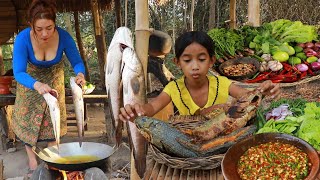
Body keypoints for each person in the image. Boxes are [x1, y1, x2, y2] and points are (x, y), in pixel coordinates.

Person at [119, 31, 280, 120]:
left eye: (202, 59)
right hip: (189, 144)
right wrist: (137, 111)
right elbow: (152, 107)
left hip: (222, 141)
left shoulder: (222, 83)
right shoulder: (174, 88)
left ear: (211, 61)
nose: (195, 66)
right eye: (187, 60)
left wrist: (262, 92)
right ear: (177, 62)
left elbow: (246, 96)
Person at [11, 0, 86, 177]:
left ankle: (50, 160)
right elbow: (19, 72)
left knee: (54, 125)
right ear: (31, 25)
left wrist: (80, 74)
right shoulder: (22, 39)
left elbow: (76, 62)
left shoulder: (64, 37)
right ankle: (32, 159)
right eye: (39, 29)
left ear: (55, 23)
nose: (45, 33)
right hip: (30, 85)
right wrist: (36, 85)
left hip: (54, 84)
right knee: (28, 123)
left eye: (49, 28)